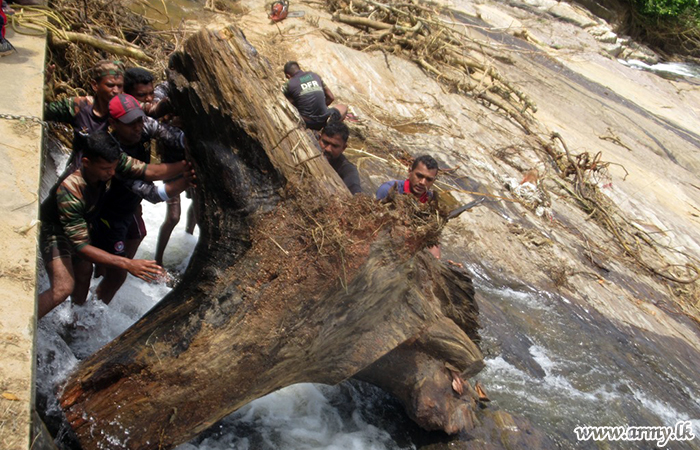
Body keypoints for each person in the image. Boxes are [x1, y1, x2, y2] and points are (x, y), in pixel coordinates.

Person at [38, 130, 193, 319]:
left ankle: (75, 322)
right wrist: (128, 263)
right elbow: (80, 247)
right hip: (55, 230)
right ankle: (23, 325)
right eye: (105, 169)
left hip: (84, 225)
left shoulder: (111, 161)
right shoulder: (71, 190)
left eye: (113, 167)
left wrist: (187, 167)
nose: (112, 173)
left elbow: (148, 171)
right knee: (63, 288)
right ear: (86, 162)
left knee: (85, 272)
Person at [92, 93, 187, 303]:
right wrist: (186, 178)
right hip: (110, 214)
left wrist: (193, 145)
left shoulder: (143, 125)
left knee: (138, 235)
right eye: (129, 123)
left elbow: (173, 136)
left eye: (139, 120)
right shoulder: (114, 154)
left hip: (131, 206)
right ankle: (92, 311)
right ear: (113, 123)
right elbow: (152, 193)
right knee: (118, 274)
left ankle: (110, 269)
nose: (137, 127)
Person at [44, 60, 125, 172]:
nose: (116, 91)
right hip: (76, 176)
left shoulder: (125, 114)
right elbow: (44, 112)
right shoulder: (79, 106)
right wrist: (45, 87)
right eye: (110, 85)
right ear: (95, 85)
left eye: (120, 86)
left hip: (107, 178)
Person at [376, 154, 441, 258]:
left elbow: (433, 240)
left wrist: (435, 261)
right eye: (419, 176)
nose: (422, 182)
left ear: (434, 181)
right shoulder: (389, 190)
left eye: (428, 179)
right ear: (410, 172)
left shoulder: (431, 202)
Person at [282, 61, 348, 130]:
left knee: (291, 98)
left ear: (288, 76)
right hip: (324, 118)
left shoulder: (288, 84)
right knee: (343, 107)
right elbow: (331, 97)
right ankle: (327, 129)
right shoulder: (315, 76)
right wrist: (319, 108)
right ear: (299, 69)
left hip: (306, 122)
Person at [318, 121, 361, 194]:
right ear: (319, 138)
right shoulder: (306, 146)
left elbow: (355, 194)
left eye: (334, 146)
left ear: (343, 148)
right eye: (325, 142)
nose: (328, 149)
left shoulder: (347, 170)